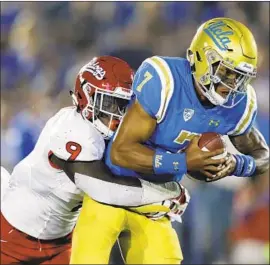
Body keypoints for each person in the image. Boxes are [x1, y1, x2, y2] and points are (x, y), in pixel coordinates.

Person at [70, 17, 269, 264]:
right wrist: (184, 161)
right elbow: (120, 152)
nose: (232, 86)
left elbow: (263, 156)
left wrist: (237, 164)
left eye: (240, 77)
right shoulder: (164, 80)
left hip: (155, 203)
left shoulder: (239, 104)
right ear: (202, 58)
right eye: (226, 72)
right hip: (110, 190)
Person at [1, 56, 187, 265]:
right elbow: (102, 187)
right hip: (10, 237)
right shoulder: (72, 127)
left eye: (123, 104)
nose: (116, 113)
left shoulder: (115, 135)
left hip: (61, 242)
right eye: (109, 102)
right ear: (86, 96)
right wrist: (164, 194)